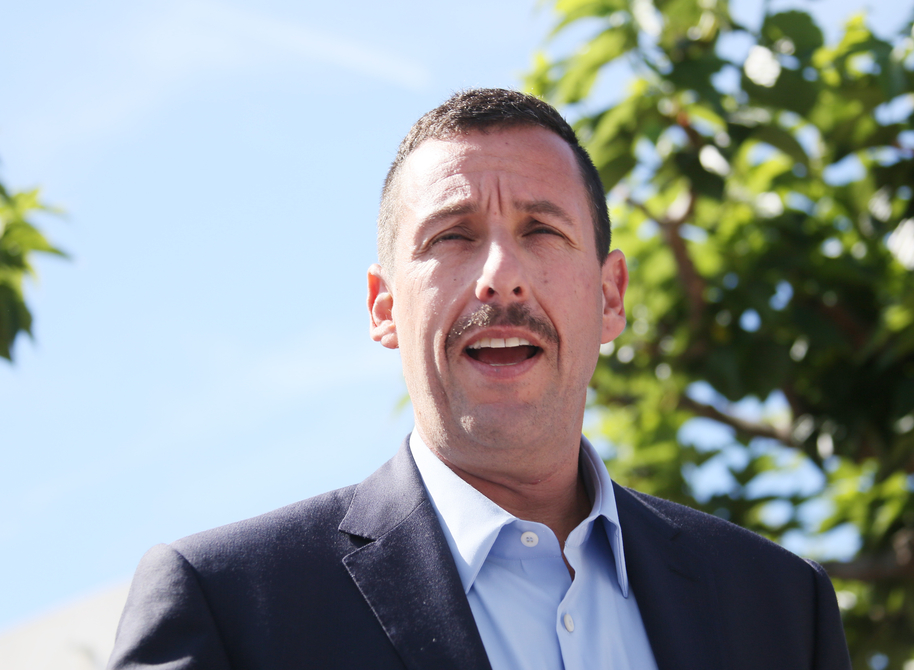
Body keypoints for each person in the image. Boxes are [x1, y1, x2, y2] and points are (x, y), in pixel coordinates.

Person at [108, 89, 851, 670]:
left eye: (542, 231)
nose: (501, 278)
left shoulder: (780, 609)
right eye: (453, 236)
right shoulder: (229, 607)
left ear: (610, 296)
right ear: (384, 307)